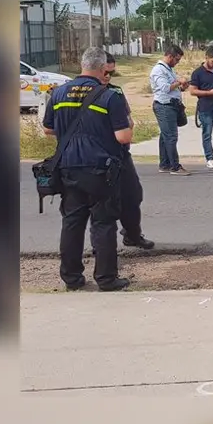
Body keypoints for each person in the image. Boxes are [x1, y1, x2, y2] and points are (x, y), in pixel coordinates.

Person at [42, 47, 133, 291]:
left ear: (82, 65)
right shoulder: (109, 96)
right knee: (103, 224)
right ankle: (106, 278)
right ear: (104, 69)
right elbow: (123, 136)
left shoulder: (59, 93)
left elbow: (48, 129)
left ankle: (71, 278)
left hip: (68, 168)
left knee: (72, 222)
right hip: (101, 171)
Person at [103, 53, 155, 250]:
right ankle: (102, 245)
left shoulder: (115, 92)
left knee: (133, 195)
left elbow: (128, 118)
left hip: (121, 153)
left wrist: (129, 129)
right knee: (103, 203)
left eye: (111, 72)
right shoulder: (85, 92)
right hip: (98, 155)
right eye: (105, 72)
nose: (108, 76)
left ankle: (132, 234)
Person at [150, 44, 191, 176]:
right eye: (176, 60)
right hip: (164, 105)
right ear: (169, 56)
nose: (177, 62)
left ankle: (165, 164)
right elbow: (166, 88)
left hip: (172, 105)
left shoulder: (168, 69)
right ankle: (175, 166)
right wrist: (179, 82)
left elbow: (174, 88)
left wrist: (182, 85)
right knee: (171, 137)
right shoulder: (158, 70)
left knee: (165, 136)